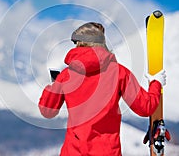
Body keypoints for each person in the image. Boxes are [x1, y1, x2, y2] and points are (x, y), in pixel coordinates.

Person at [38, 22, 166, 156]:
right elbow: (145, 107)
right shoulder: (119, 72)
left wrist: (53, 86)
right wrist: (155, 83)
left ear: (79, 44)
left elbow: (47, 111)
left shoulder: (66, 75)